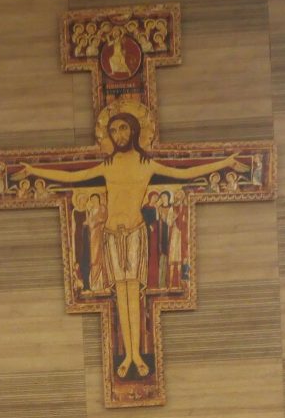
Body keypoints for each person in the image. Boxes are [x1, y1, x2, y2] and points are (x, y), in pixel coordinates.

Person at [13, 111, 245, 380]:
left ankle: (135, 354)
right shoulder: (108, 165)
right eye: (113, 131)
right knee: (120, 295)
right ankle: (128, 355)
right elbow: (71, 176)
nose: (118, 135)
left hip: (135, 234)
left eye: (123, 128)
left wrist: (224, 162)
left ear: (134, 130)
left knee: (133, 295)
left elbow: (185, 172)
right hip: (111, 234)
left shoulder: (147, 164)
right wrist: (33, 170)